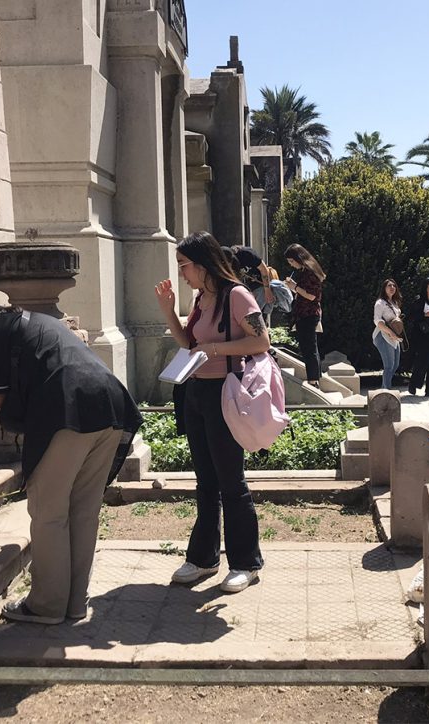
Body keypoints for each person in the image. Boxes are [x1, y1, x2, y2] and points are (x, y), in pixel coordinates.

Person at [0, 305, 142, 625]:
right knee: (83, 511)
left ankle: (46, 606)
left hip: (67, 409)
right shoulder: (32, 322)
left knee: (49, 512)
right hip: (111, 401)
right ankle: (74, 602)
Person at [154, 231, 269, 593]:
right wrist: (170, 311)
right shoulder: (202, 298)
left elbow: (262, 342)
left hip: (226, 394)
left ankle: (245, 563)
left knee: (230, 481)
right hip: (196, 392)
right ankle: (203, 558)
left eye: (184, 266)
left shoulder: (237, 295)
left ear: (202, 265)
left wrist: (217, 351)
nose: (182, 273)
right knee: (205, 481)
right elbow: (189, 343)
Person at [283, 243, 326, 387]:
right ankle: (315, 378)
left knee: (309, 348)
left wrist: (294, 286)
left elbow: (312, 296)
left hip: (308, 314)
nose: (291, 265)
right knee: (310, 347)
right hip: (305, 313)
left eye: (291, 261)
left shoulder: (309, 272)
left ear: (298, 258)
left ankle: (313, 380)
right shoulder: (306, 271)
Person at [373, 278, 404, 389]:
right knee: (389, 366)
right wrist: (391, 333)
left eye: (394, 286)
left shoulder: (395, 303)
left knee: (395, 365)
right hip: (382, 335)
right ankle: (387, 391)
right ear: (384, 288)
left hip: (394, 336)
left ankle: (383, 389)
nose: (392, 288)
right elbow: (377, 321)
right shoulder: (380, 303)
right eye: (389, 286)